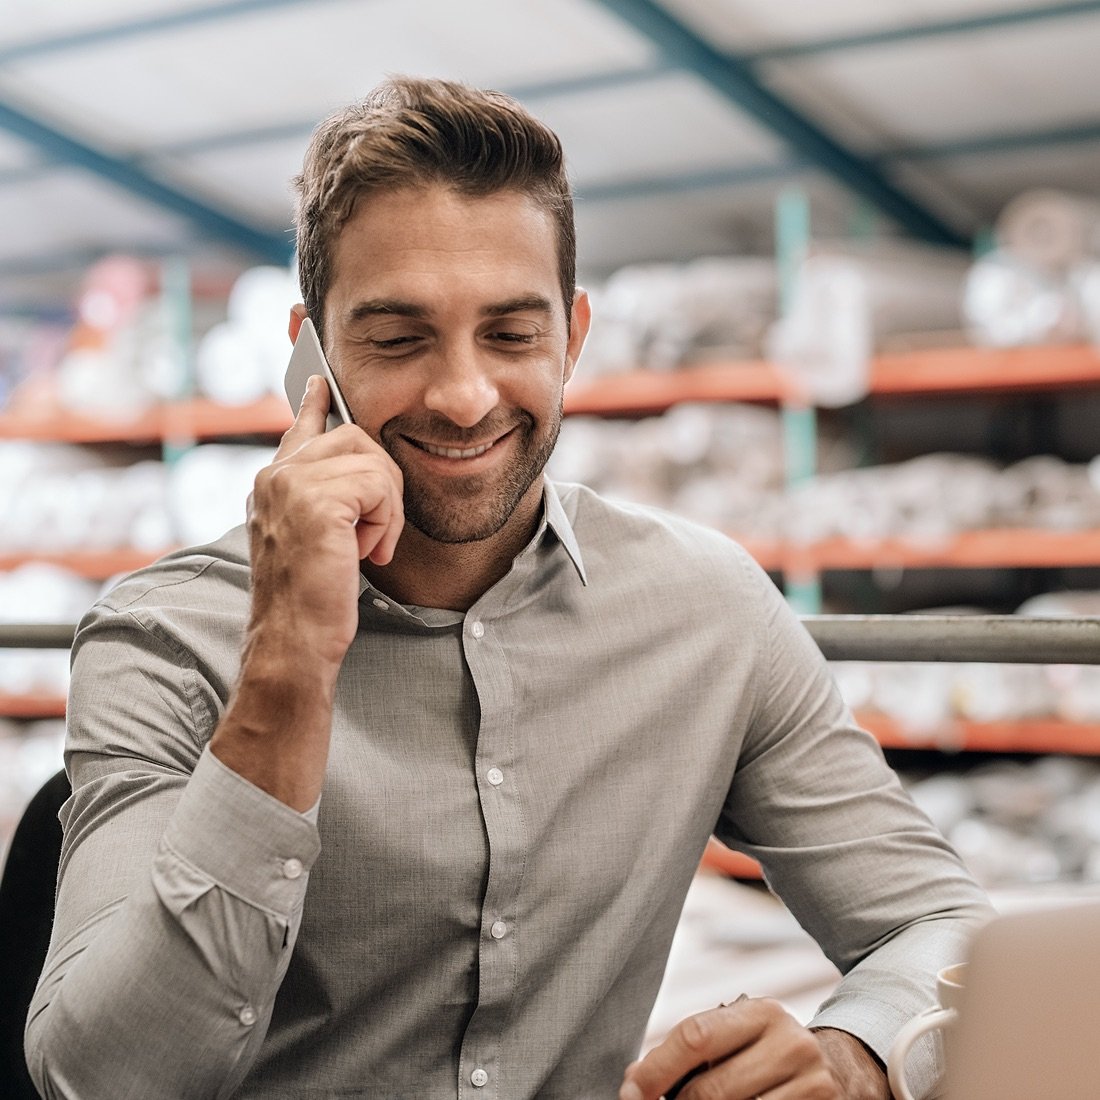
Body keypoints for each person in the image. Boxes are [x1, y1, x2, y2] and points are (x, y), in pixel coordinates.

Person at [26, 76, 990, 1100]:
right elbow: (99, 1076)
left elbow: (937, 922)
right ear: (310, 352)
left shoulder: (707, 609)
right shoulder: (165, 636)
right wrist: (284, 666)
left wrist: (853, 1055)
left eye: (510, 333)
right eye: (397, 337)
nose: (463, 394)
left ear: (572, 336)